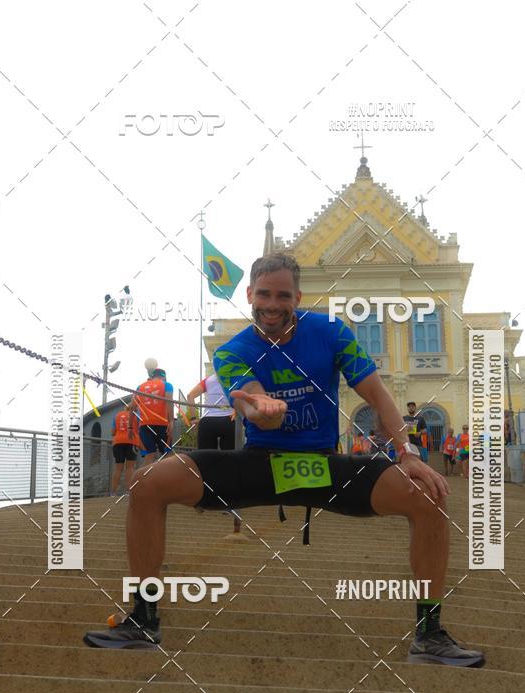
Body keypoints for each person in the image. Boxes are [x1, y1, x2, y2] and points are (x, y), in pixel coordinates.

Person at [83, 253, 485, 668]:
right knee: (148, 483)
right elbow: (256, 409)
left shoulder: (330, 331)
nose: (272, 305)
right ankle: (143, 619)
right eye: (263, 295)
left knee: (429, 492)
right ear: (249, 294)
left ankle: (429, 633)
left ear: (298, 297)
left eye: (282, 295)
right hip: (262, 461)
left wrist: (409, 454)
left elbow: (378, 396)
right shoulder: (234, 351)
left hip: (324, 465)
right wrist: (262, 412)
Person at [186, 372, 241, 535]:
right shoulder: (236, 377)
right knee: (229, 462)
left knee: (202, 463)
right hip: (228, 420)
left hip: (208, 421)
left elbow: (190, 396)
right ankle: (228, 503)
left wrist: (194, 417)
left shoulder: (208, 380)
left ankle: (201, 501)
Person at [131, 364, 174, 463]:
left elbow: (132, 408)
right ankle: (167, 478)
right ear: (164, 377)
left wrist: (130, 427)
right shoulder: (166, 385)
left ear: (152, 377)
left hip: (145, 425)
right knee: (167, 455)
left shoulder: (140, 387)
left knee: (150, 455)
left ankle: (145, 478)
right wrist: (171, 420)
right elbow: (169, 401)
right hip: (162, 424)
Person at [110, 401, 138, 495]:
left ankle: (113, 493)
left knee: (118, 468)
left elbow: (113, 432)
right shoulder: (136, 415)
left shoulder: (117, 415)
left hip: (118, 442)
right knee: (130, 468)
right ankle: (129, 492)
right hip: (131, 441)